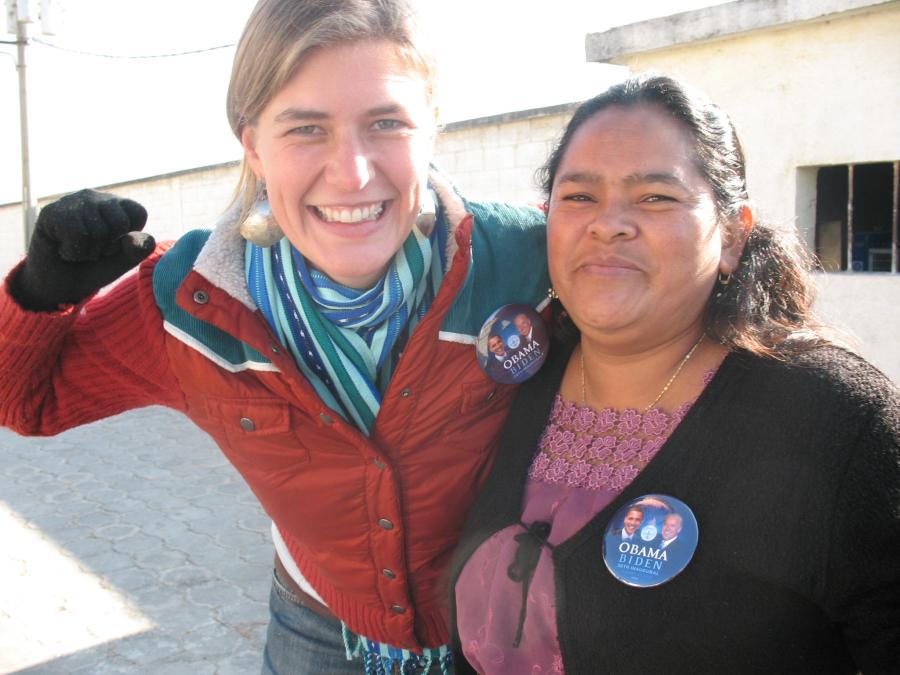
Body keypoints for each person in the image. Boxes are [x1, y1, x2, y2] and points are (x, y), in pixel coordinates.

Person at [0, 1, 549, 672]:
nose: (352, 172)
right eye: (306, 129)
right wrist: (38, 295)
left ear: (432, 125)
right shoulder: (190, 300)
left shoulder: (528, 260)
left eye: (386, 123)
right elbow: (27, 401)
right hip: (316, 634)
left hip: (506, 628)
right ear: (253, 145)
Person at [450, 74, 900, 674]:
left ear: (735, 234)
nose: (607, 224)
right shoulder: (516, 374)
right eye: (579, 196)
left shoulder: (836, 421)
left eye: (655, 197)